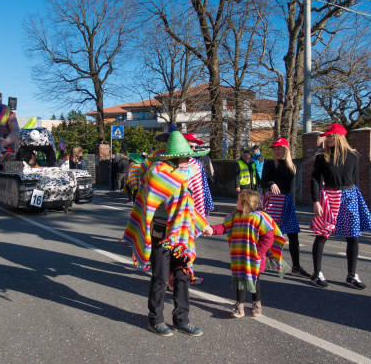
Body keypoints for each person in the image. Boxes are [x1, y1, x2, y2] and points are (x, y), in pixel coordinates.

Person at [123, 131, 212, 337]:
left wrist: (202, 224)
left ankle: (182, 319)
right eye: (184, 157)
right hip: (161, 233)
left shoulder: (181, 175)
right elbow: (154, 199)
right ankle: (155, 319)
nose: (187, 161)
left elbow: (187, 206)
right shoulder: (158, 173)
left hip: (180, 235)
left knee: (182, 275)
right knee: (161, 277)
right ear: (172, 157)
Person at [310, 124, 371, 289]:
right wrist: (316, 201)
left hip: (350, 195)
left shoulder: (353, 156)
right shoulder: (321, 156)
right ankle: (316, 273)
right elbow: (315, 179)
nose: (327, 138)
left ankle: (351, 275)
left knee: (353, 235)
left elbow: (355, 179)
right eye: (327, 136)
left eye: (330, 136)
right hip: (330, 196)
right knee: (322, 233)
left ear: (339, 137)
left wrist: (357, 200)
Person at [207, 189, 287, 318]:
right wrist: (212, 230)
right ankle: (240, 306)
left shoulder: (258, 218)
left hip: (255, 259)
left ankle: (257, 303)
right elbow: (224, 227)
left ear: (246, 203)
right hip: (239, 258)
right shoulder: (234, 216)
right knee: (240, 281)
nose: (236, 201)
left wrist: (259, 253)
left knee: (255, 282)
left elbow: (269, 237)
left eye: (239, 200)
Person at [261, 137, 310, 277]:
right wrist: (271, 183)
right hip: (273, 202)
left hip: (288, 202)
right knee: (268, 234)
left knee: (293, 235)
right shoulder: (270, 164)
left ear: (286, 149)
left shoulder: (292, 165)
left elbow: (293, 187)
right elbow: (262, 181)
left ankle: (296, 266)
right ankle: (260, 260)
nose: (276, 151)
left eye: (279, 148)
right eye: (275, 149)